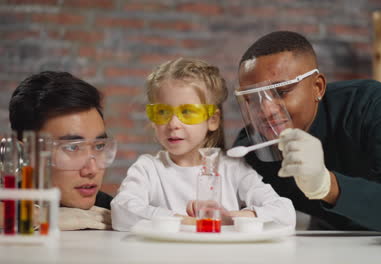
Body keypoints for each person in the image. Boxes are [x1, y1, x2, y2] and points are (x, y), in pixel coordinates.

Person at [233, 31, 381, 233]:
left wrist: (327, 185)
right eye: (252, 99)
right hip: (334, 220)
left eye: (281, 92)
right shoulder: (249, 152)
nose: (266, 110)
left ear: (318, 87)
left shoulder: (368, 103)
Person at [111, 58, 295, 231]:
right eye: (162, 112)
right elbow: (121, 211)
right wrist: (187, 221)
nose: (173, 124)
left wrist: (230, 218)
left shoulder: (233, 169)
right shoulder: (149, 169)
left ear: (212, 120)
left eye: (188, 112)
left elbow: (285, 213)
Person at [5, 71, 116, 230]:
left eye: (99, 146)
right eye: (72, 147)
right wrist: (37, 217)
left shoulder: (114, 214)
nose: (92, 170)